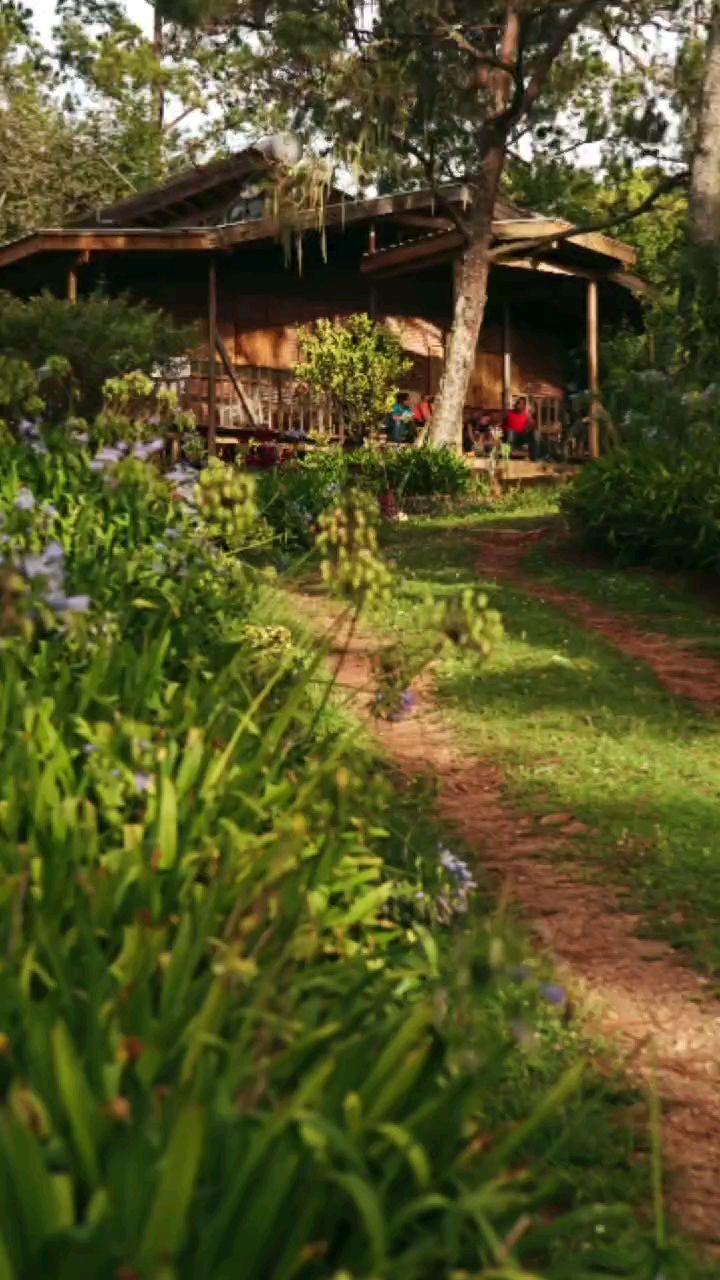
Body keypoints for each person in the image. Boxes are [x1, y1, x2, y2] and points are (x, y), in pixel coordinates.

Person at [503, 396, 541, 461]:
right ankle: (506, 457)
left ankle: (535, 458)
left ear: (524, 406)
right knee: (511, 433)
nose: (518, 405)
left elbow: (533, 425)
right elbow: (501, 424)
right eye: (518, 403)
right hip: (511, 437)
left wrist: (528, 428)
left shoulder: (527, 414)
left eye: (521, 403)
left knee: (536, 433)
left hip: (522, 436)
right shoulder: (508, 413)